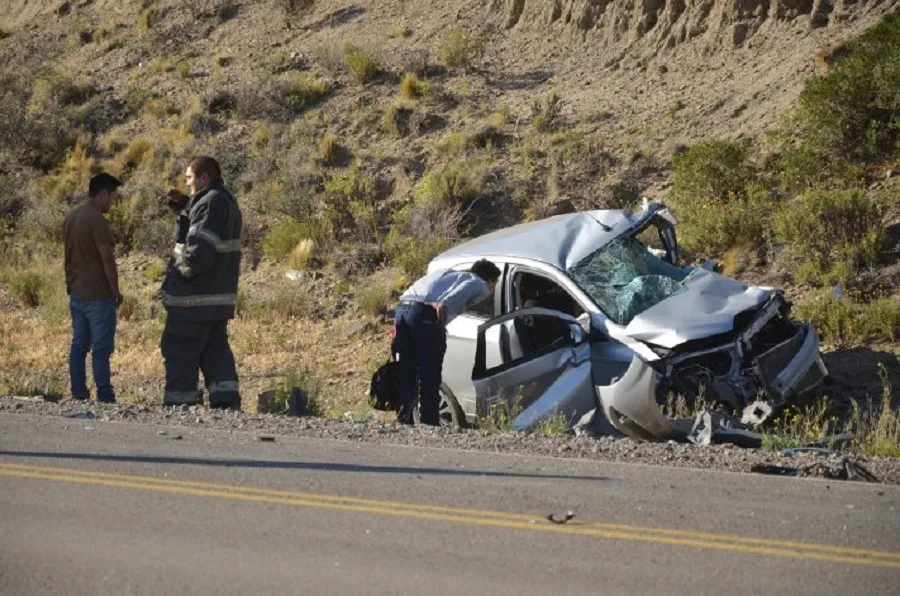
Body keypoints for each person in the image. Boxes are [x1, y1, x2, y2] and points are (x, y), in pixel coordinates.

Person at [160, 156, 243, 409]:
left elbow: (195, 258)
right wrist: (186, 207)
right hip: (214, 304)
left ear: (204, 178)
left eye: (189, 178)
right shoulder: (223, 201)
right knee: (215, 354)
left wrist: (177, 262)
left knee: (180, 353)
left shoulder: (210, 204)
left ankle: (179, 412)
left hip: (192, 304)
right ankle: (226, 408)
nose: (187, 183)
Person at [394, 259, 501, 425]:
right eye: (496, 284)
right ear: (491, 280)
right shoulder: (478, 282)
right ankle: (430, 423)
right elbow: (464, 290)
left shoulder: (447, 273)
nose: (493, 290)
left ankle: (404, 420)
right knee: (430, 373)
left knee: (407, 371)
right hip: (426, 316)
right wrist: (445, 305)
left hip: (402, 311)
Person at [63, 172, 123, 403]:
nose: (112, 202)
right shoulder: (97, 220)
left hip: (77, 293)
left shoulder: (72, 216)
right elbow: (107, 258)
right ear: (102, 194)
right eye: (111, 197)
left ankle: (78, 392)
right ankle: (105, 395)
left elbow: (67, 254)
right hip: (98, 295)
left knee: (79, 345)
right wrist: (115, 291)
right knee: (101, 348)